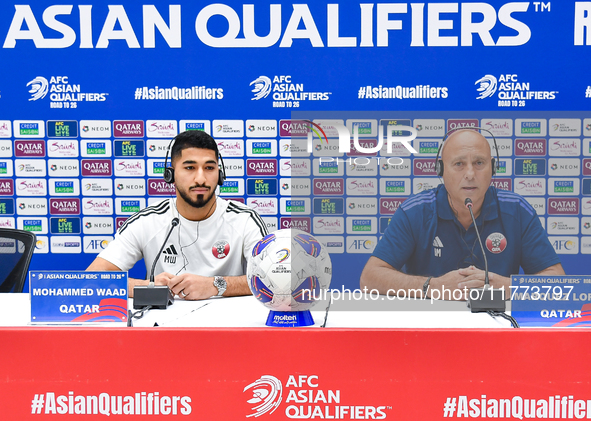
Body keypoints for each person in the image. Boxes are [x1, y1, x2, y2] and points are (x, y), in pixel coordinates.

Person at [360, 129, 564, 299]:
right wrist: (434, 287)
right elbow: (369, 278)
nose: (470, 174)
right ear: (441, 170)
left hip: (497, 329)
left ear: (493, 168)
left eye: (479, 163)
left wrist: (507, 287)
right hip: (428, 331)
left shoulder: (517, 210)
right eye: (459, 164)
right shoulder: (415, 211)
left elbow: (558, 282)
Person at [87, 130, 268, 300]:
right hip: (162, 328)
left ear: (220, 175)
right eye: (189, 168)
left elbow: (270, 279)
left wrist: (215, 285)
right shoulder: (147, 221)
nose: (200, 179)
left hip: (229, 328)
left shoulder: (245, 219)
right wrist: (148, 287)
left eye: (209, 168)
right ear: (170, 174)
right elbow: (92, 279)